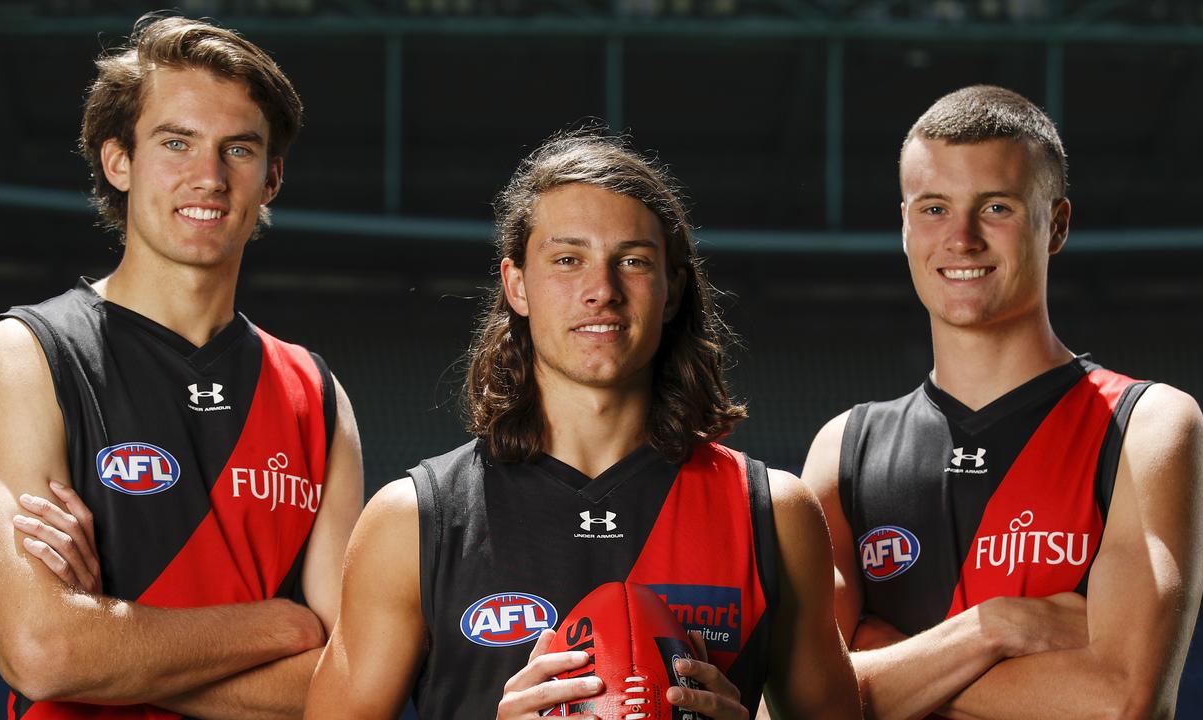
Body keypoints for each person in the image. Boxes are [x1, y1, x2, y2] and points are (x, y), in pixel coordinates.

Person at [304, 131, 862, 720]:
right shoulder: (413, 520)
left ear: (672, 290)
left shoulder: (774, 514)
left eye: (633, 261)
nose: (602, 291)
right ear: (516, 284)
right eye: (568, 260)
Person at [0, 14, 363, 719]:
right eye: (177, 142)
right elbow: (41, 653)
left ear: (272, 178)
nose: (208, 177)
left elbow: (353, 685)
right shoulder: (30, 353)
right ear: (119, 160)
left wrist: (109, 640)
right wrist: (281, 625)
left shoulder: (316, 395)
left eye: (238, 149)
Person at [802, 85, 1203, 720]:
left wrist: (881, 668)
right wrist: (994, 628)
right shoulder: (844, 449)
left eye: (996, 207)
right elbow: (799, 705)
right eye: (934, 208)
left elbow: (1124, 700)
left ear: (1058, 224)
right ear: (905, 227)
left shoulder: (1145, 427)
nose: (961, 239)